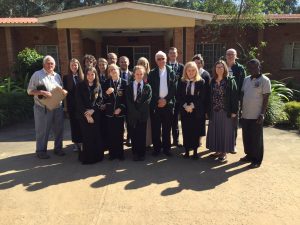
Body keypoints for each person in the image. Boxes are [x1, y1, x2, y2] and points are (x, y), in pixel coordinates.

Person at [27, 55, 66, 159]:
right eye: (48, 63)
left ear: (55, 65)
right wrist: (42, 92)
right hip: (42, 108)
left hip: (57, 107)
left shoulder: (56, 76)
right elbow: (29, 91)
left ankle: (58, 148)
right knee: (43, 130)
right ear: (44, 64)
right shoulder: (37, 74)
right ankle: (41, 151)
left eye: (52, 63)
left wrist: (63, 92)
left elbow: (60, 89)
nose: (50, 65)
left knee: (59, 129)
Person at [240, 59, 271, 169]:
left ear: (259, 67)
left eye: (254, 67)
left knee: (256, 138)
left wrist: (262, 114)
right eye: (250, 68)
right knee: (247, 136)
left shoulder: (265, 80)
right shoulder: (246, 79)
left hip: (256, 115)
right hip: (246, 114)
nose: (252, 70)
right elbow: (244, 95)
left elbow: (266, 98)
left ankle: (257, 160)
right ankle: (249, 155)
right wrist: (241, 110)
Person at [206, 60, 238, 162]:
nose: (219, 69)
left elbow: (234, 97)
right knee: (215, 130)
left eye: (221, 67)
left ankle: (224, 152)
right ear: (214, 69)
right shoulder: (212, 81)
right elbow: (208, 97)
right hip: (214, 110)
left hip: (226, 110)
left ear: (225, 68)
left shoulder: (230, 80)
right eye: (217, 67)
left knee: (225, 131)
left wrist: (234, 111)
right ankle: (217, 151)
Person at [148, 51, 176, 157]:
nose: (161, 61)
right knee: (156, 129)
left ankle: (166, 148)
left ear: (166, 59)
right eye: (159, 59)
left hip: (168, 105)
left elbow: (174, 88)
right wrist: (158, 100)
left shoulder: (171, 71)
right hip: (156, 105)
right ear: (155, 60)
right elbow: (151, 89)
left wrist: (166, 100)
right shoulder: (152, 72)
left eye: (163, 58)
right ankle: (157, 149)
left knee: (166, 128)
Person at [177, 62, 207, 159]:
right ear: (185, 71)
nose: (191, 72)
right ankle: (186, 151)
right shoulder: (181, 81)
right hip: (185, 109)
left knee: (195, 131)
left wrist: (192, 106)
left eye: (193, 70)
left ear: (196, 71)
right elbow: (179, 96)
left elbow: (202, 97)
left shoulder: (201, 81)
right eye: (189, 70)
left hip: (196, 110)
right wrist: (185, 106)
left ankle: (195, 152)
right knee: (186, 130)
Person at [76, 67, 104, 164]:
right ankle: (88, 158)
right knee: (87, 137)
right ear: (85, 75)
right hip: (83, 116)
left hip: (95, 115)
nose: (90, 76)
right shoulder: (80, 86)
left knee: (96, 136)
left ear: (95, 75)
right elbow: (79, 102)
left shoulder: (98, 86)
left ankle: (97, 157)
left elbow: (100, 100)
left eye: (92, 74)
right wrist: (87, 115)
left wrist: (93, 110)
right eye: (88, 74)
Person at [126, 65, 152, 161]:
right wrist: (134, 112)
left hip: (142, 115)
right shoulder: (129, 86)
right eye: (137, 74)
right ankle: (135, 153)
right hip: (132, 115)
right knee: (134, 134)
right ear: (134, 74)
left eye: (141, 74)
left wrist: (139, 112)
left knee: (141, 134)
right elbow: (128, 101)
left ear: (144, 74)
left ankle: (142, 153)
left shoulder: (147, 87)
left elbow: (147, 101)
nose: (139, 76)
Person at [103, 64, 127, 160]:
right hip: (109, 114)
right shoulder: (106, 83)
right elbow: (101, 99)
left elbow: (126, 99)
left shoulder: (124, 83)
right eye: (111, 70)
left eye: (115, 69)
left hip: (120, 113)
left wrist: (121, 108)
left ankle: (120, 154)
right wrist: (106, 93)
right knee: (111, 134)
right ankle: (112, 154)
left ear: (119, 70)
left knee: (119, 134)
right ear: (109, 72)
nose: (113, 71)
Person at [225, 48, 246, 153]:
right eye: (228, 54)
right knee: (223, 122)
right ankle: (222, 144)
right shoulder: (222, 66)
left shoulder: (240, 68)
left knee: (233, 122)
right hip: (222, 100)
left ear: (236, 56)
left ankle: (233, 144)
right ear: (225, 55)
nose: (230, 56)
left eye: (232, 54)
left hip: (234, 100)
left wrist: (239, 100)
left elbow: (243, 85)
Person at [63, 58, 84, 152]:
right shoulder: (66, 78)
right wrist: (66, 106)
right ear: (69, 67)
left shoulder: (83, 76)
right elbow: (65, 93)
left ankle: (83, 142)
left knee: (82, 125)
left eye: (75, 65)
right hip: (72, 106)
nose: (74, 66)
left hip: (82, 106)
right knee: (74, 125)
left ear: (78, 66)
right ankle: (76, 144)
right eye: (72, 65)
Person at [192, 54, 211, 146]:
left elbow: (208, 92)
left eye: (199, 63)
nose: (197, 65)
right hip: (191, 103)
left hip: (202, 103)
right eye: (195, 63)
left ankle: (199, 140)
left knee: (200, 122)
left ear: (202, 63)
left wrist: (207, 107)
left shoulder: (205, 74)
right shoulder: (190, 73)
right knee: (192, 122)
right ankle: (192, 139)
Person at [167, 47, 184, 147]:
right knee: (166, 120)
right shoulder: (164, 66)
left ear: (177, 54)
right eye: (171, 53)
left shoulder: (181, 67)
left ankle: (176, 140)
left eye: (174, 53)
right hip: (167, 98)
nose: (173, 54)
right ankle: (167, 140)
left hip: (178, 98)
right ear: (168, 55)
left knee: (175, 120)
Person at [137, 57, 152, 148]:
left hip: (148, 104)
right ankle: (140, 142)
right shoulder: (135, 75)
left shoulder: (150, 75)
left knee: (148, 124)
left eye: (145, 64)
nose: (143, 65)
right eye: (141, 63)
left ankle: (148, 143)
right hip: (138, 106)